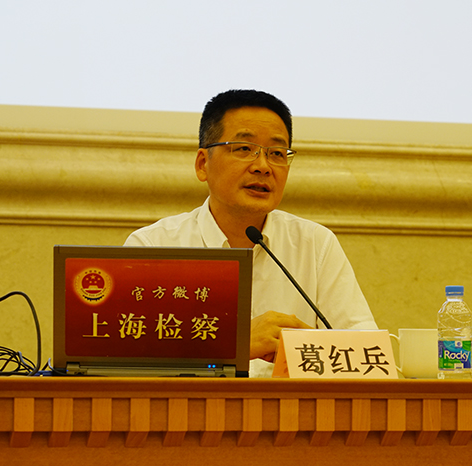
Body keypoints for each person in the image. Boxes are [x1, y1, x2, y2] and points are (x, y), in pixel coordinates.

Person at [125, 89, 377, 377]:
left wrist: (309, 349)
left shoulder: (315, 244)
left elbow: (368, 356)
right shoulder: (153, 246)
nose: (262, 167)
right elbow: (128, 360)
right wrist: (235, 345)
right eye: (244, 149)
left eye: (277, 153)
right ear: (203, 164)